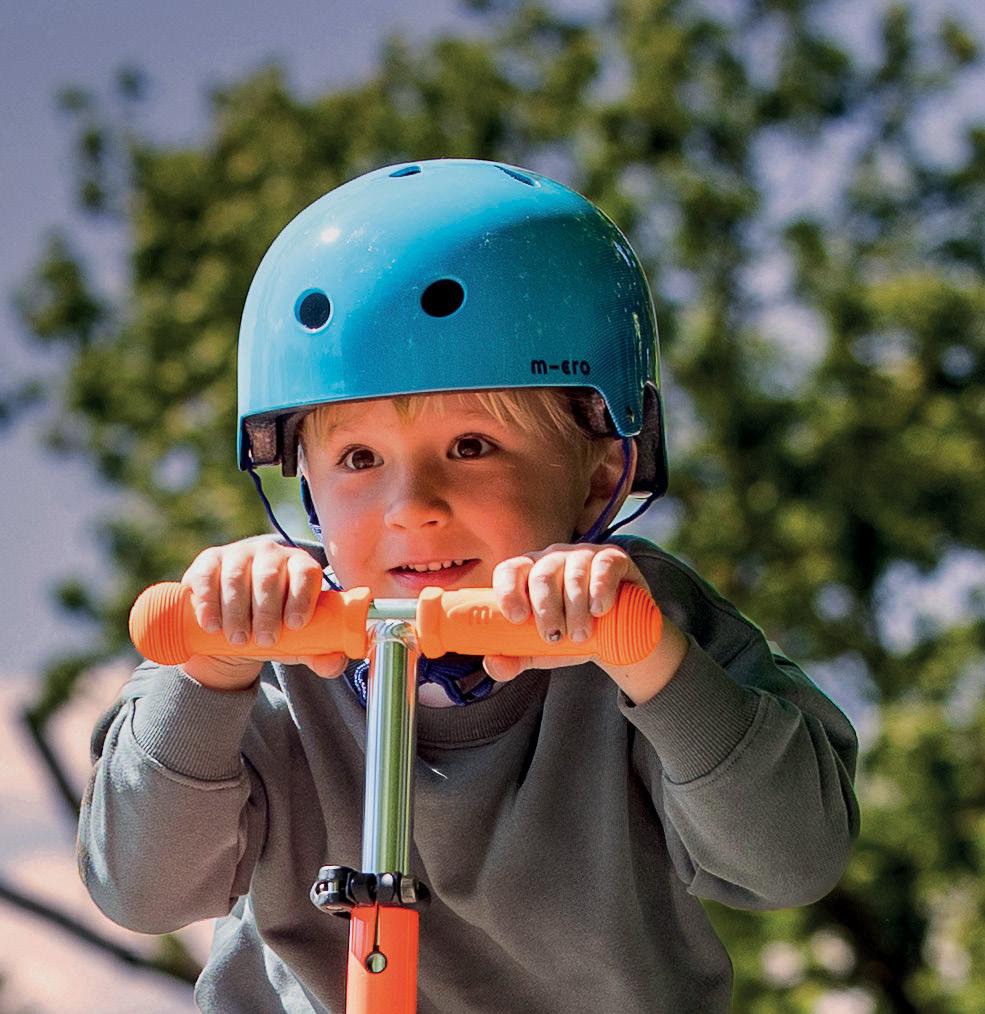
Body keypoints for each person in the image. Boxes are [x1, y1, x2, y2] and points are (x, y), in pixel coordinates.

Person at [78, 159, 859, 1013]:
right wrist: (209, 676)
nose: (412, 506)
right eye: (359, 458)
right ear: (304, 489)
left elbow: (790, 861)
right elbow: (141, 891)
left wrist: (655, 666)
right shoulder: (264, 635)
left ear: (601, 474)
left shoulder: (644, 622)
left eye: (472, 447)